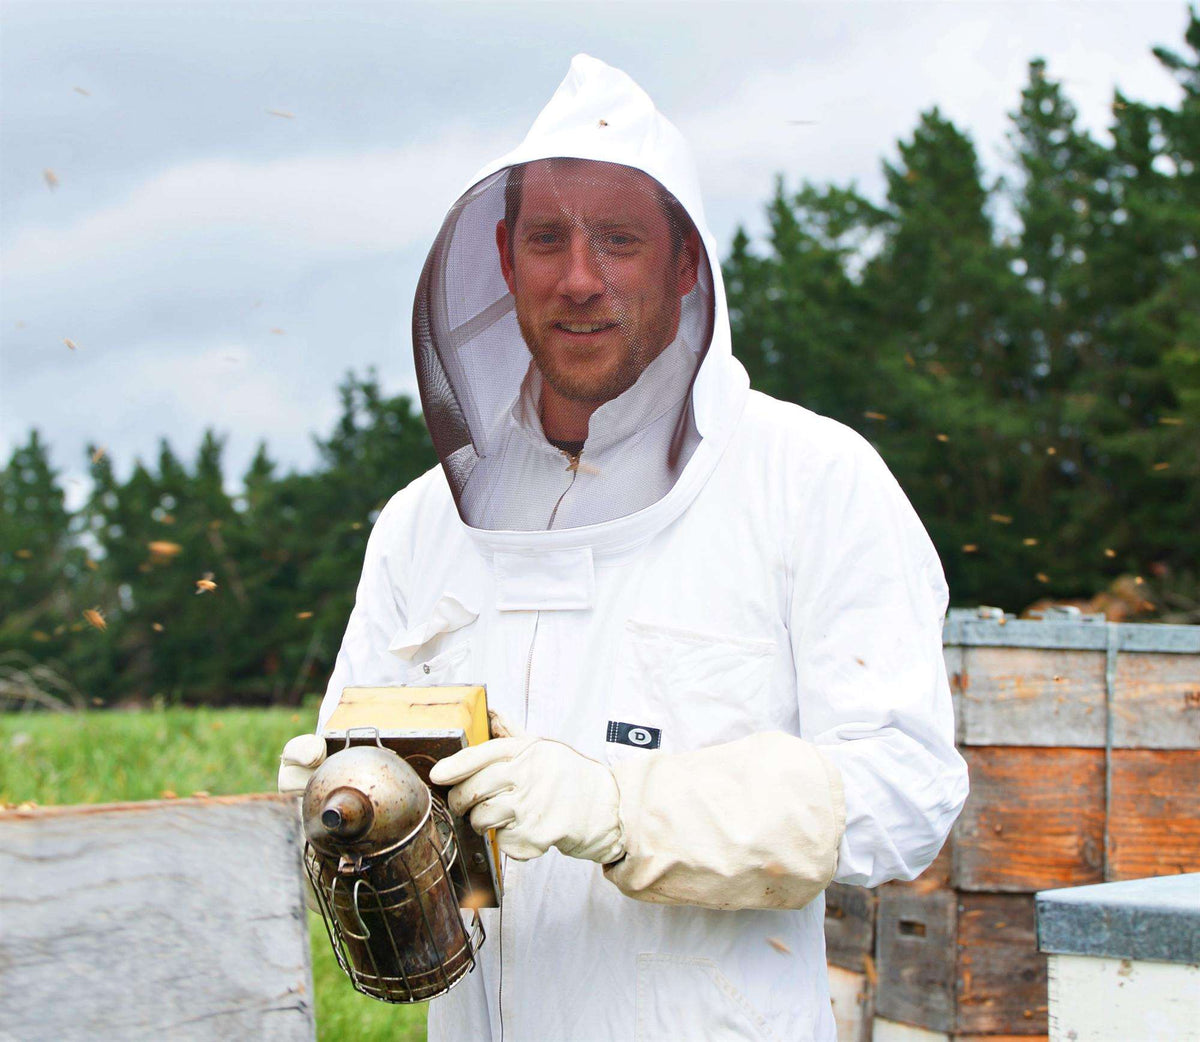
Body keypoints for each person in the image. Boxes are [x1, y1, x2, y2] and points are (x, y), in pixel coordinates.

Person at [279, 54, 969, 1041]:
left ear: (685, 264)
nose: (579, 278)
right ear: (504, 260)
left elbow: (906, 788)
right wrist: (334, 801)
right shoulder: (422, 525)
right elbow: (366, 798)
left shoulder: (811, 481)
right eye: (548, 239)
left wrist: (624, 807)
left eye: (620, 239)